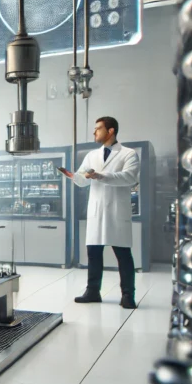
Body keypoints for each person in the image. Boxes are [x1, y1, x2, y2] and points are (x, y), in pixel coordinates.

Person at [61, 116, 140, 309]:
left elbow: (129, 177)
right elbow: (83, 180)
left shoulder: (128, 154)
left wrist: (100, 175)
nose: (94, 132)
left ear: (110, 131)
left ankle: (128, 295)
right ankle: (93, 291)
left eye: (98, 129)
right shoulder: (91, 155)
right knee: (93, 253)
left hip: (116, 209)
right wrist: (73, 176)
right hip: (97, 210)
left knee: (123, 254)